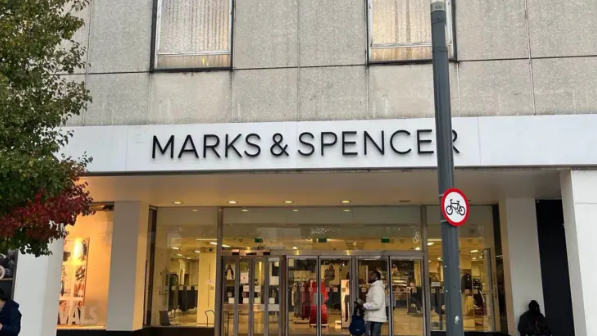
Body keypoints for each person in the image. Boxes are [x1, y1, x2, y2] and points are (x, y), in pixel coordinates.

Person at [357, 271, 386, 336]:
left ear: (376, 278)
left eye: (371, 275)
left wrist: (364, 304)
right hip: (373, 318)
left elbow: (377, 305)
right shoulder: (374, 287)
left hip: (375, 319)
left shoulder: (377, 288)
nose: (369, 277)